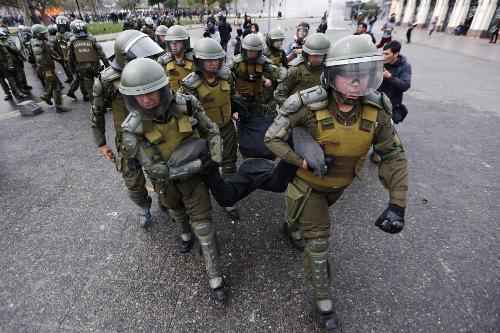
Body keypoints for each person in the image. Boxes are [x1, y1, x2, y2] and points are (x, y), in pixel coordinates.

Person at [264, 35, 408, 330]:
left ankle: (290, 224)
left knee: (298, 222)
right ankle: (323, 303)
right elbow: (272, 138)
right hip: (308, 184)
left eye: (366, 76)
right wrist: (300, 160)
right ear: (332, 77)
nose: (358, 84)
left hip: (340, 186)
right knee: (318, 243)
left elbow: (393, 155)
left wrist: (397, 203)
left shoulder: (377, 111)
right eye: (350, 77)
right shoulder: (304, 104)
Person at [119, 57, 226, 302]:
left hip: (194, 181)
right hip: (166, 184)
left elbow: (212, 130)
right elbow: (145, 170)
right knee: (176, 211)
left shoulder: (186, 104)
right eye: (140, 95)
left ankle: (215, 276)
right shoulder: (132, 129)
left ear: (163, 88)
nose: (146, 99)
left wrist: (215, 158)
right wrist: (199, 165)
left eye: (152, 92)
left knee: (205, 228)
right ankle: (185, 234)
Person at [91, 30, 164, 229]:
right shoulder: (106, 81)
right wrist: (101, 143)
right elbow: (96, 113)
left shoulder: (152, 70)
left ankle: (167, 203)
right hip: (126, 139)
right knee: (133, 181)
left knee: (160, 174)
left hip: (152, 133)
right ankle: (144, 208)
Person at [180, 37, 240, 219]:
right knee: (209, 167)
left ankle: (228, 198)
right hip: (205, 134)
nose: (213, 64)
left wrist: (235, 111)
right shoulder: (189, 84)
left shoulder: (227, 75)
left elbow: (232, 95)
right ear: (199, 61)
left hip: (227, 127)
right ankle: (203, 205)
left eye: (216, 59)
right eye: (208, 60)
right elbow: (186, 114)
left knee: (230, 163)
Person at [231, 33, 280, 159]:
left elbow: (277, 72)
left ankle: (262, 151)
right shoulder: (236, 63)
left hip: (258, 100)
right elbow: (227, 78)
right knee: (244, 128)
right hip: (241, 101)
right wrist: (233, 107)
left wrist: (281, 75)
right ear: (244, 50)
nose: (252, 54)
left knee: (260, 127)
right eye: (249, 51)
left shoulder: (264, 62)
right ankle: (246, 151)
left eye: (254, 51)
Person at [275, 33, 330, 107]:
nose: (318, 59)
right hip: (298, 110)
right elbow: (280, 94)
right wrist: (289, 107)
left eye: (321, 56)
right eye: (314, 55)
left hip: (321, 108)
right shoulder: (295, 70)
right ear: (306, 54)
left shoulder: (327, 69)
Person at [67, 20, 110, 102]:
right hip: (95, 67)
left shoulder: (72, 41)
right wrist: (107, 65)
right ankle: (105, 101)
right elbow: (102, 54)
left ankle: (94, 105)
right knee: (101, 84)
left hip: (82, 69)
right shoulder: (92, 39)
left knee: (90, 88)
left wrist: (72, 69)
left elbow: (70, 57)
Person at [31, 24, 68, 112]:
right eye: (43, 33)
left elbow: (50, 52)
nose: (46, 34)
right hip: (47, 69)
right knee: (57, 88)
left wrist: (58, 58)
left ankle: (47, 96)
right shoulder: (37, 44)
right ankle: (58, 106)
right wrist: (46, 71)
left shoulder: (42, 42)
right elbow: (39, 59)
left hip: (48, 69)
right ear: (38, 35)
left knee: (54, 86)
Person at [379, 40, 411, 124]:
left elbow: (405, 85)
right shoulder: (380, 63)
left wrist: (390, 77)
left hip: (390, 106)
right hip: (376, 102)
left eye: (387, 54)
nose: (383, 56)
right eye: (383, 53)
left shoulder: (405, 66)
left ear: (396, 54)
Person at [157, 25, 194, 93]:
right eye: (171, 42)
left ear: (184, 43)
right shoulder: (163, 61)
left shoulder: (194, 60)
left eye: (178, 41)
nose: (174, 45)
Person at [55, 15, 74, 83]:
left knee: (67, 67)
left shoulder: (57, 35)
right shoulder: (69, 34)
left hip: (65, 54)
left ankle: (71, 77)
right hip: (67, 54)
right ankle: (71, 77)